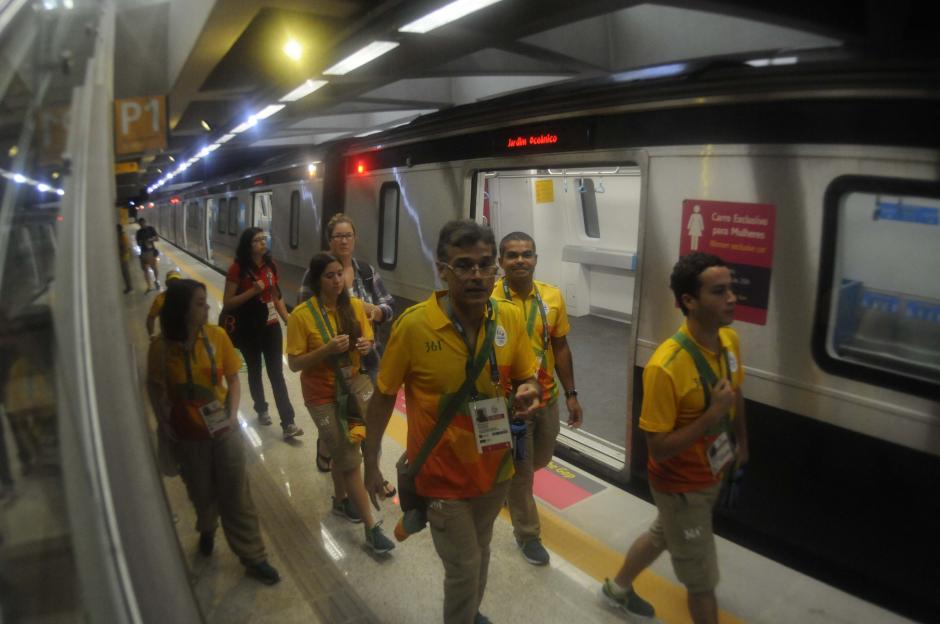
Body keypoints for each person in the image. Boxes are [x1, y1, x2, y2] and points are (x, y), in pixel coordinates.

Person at [364, 220, 541, 624]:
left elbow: (525, 376)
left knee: (481, 550)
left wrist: (529, 390)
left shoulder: (509, 318)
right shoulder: (413, 327)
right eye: (464, 266)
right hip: (441, 478)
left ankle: (470, 613)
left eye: (484, 265)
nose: (477, 276)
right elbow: (383, 397)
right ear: (442, 268)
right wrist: (369, 459)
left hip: (495, 471)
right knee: (463, 569)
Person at [600, 252, 748, 624]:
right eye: (719, 291)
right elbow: (659, 449)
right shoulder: (665, 367)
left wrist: (743, 443)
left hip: (711, 472)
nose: (731, 298)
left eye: (731, 288)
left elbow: (735, 394)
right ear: (689, 301)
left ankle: (617, 589)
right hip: (681, 486)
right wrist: (712, 415)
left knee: (662, 533)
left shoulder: (729, 341)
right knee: (702, 582)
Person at [146, 279, 280, 586]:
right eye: (199, 303)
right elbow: (154, 388)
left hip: (223, 428)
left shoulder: (218, 336)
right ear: (181, 309)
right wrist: (164, 424)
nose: (207, 307)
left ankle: (253, 555)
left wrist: (233, 416)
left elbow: (233, 380)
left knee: (236, 492)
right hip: (188, 435)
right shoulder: (161, 349)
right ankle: (207, 527)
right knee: (201, 490)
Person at [286, 253, 395, 554]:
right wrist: (325, 351)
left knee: (351, 444)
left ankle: (339, 501)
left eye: (339, 274)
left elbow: (370, 340)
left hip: (354, 386)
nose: (337, 280)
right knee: (348, 456)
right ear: (317, 281)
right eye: (329, 276)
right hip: (320, 397)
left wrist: (367, 344)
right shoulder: (302, 316)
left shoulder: (356, 308)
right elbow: (295, 363)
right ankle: (371, 528)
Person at [494, 231, 583, 566]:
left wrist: (572, 394)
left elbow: (560, 347)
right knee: (523, 475)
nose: (520, 260)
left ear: (535, 259)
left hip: (547, 396)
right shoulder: (489, 300)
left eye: (527, 254)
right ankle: (528, 534)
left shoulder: (552, 298)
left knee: (541, 458)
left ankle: (508, 487)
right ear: (501, 261)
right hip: (509, 403)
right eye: (512, 255)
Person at [298, 214, 395, 480]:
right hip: (333, 364)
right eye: (338, 236)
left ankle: (373, 474)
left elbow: (388, 304)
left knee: (370, 421)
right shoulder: (314, 274)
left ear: (355, 239)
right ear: (330, 241)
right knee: (340, 420)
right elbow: (305, 310)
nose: (344, 240)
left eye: (348, 235)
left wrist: (373, 312)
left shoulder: (366, 272)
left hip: (368, 360)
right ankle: (329, 450)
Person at [223, 228, 302, 440]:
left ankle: (288, 422)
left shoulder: (270, 266)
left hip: (271, 325)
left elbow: (276, 296)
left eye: (263, 239)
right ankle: (261, 408)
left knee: (276, 373)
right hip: (248, 327)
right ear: (248, 245)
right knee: (255, 370)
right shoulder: (236, 270)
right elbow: (227, 303)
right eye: (257, 240)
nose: (262, 243)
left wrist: (287, 319)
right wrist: (252, 292)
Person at [146, 269, 182, 336]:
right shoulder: (160, 299)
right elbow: (151, 318)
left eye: (177, 281)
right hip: (168, 337)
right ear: (167, 283)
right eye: (172, 282)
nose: (175, 284)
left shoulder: (187, 296)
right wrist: (152, 336)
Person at [135, 218, 160, 292]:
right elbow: (138, 243)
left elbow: (157, 238)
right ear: (139, 224)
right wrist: (141, 242)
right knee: (145, 270)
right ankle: (149, 286)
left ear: (145, 222)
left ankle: (156, 280)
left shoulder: (151, 229)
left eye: (143, 223)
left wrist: (151, 240)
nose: (142, 225)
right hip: (143, 253)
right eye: (140, 224)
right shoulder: (139, 232)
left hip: (151, 252)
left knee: (154, 267)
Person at [117, 224, 133, 294]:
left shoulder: (123, 237)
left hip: (124, 257)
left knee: (126, 272)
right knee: (125, 272)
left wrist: (122, 254)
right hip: (124, 256)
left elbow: (125, 247)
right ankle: (129, 287)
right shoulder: (122, 236)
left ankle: (129, 287)